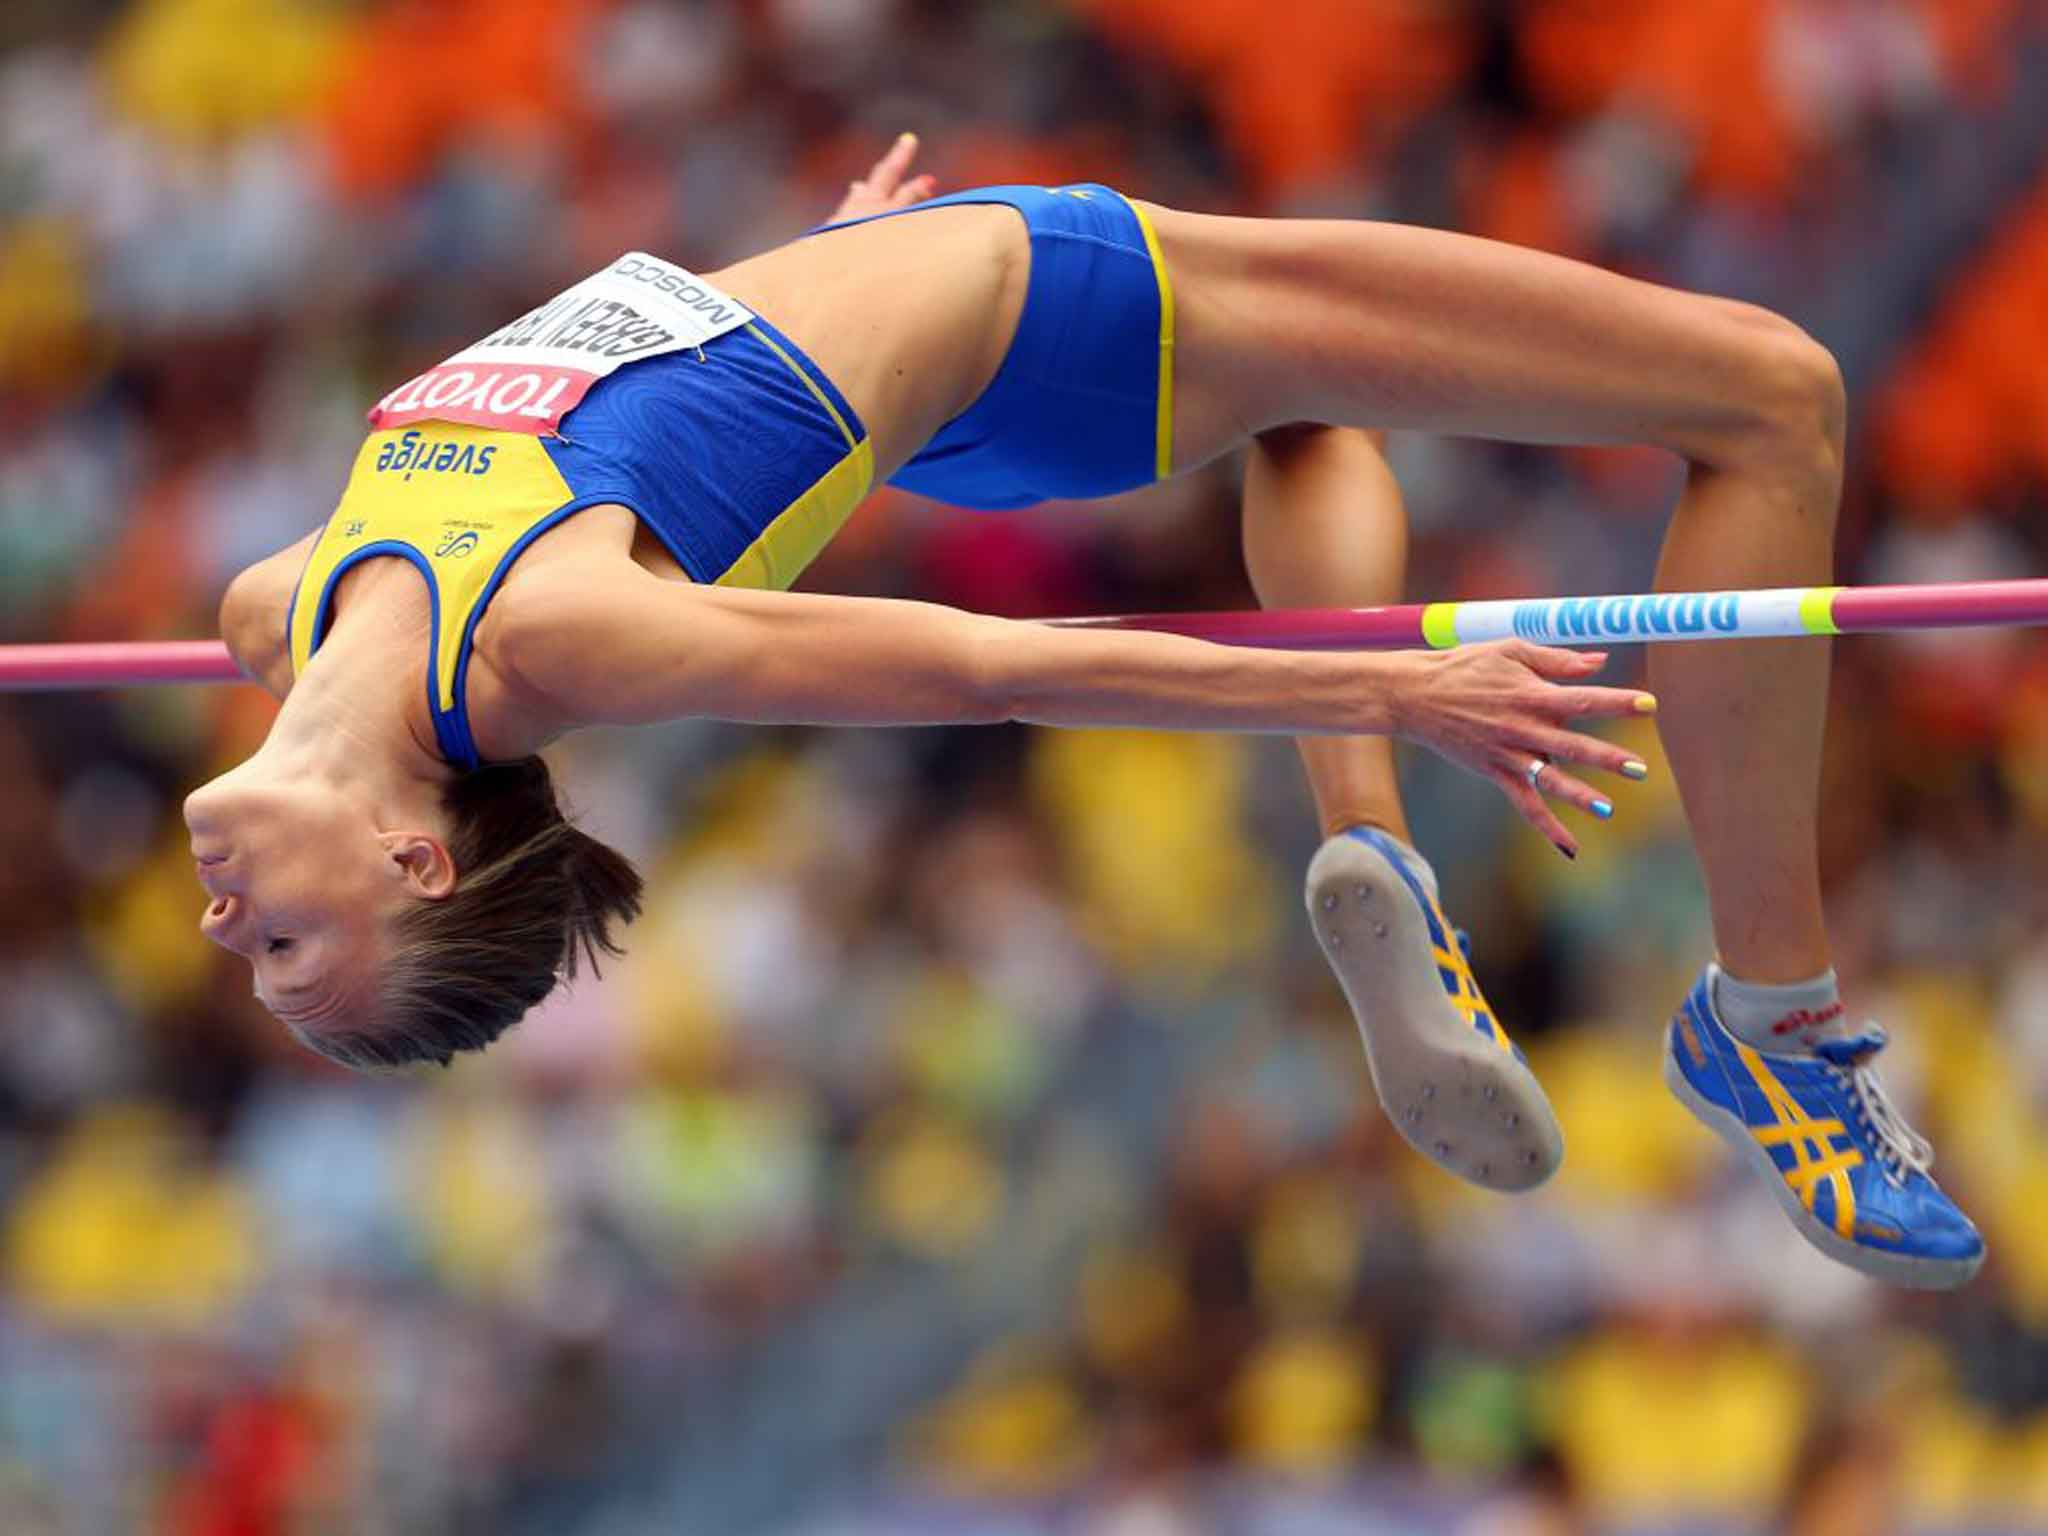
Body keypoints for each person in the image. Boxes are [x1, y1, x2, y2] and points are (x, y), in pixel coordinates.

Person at [184, 136, 1979, 1287]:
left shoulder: (286, 601)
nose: (220, 924)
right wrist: (1386, 680)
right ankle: (1773, 1016)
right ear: (417, 858)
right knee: (1774, 398)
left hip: (946, 349)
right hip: (1068, 309)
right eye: (281, 948)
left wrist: (807, 279)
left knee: (1307, 414)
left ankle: (1375, 858)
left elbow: (608, 392)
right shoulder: (548, 641)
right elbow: (997, 669)